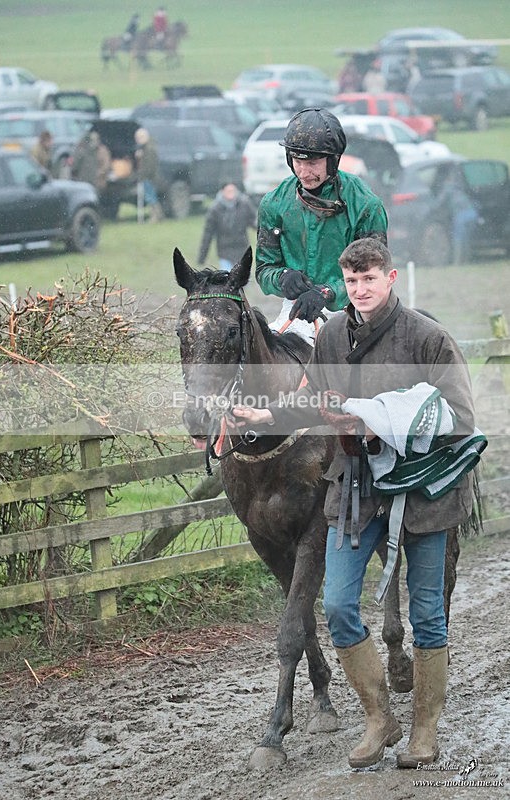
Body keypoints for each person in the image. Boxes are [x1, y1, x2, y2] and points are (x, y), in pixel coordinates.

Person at [231, 237, 486, 771]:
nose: (360, 289)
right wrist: (265, 417)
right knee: (339, 606)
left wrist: (375, 415)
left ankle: (423, 731)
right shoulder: (332, 336)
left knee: (427, 615)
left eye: (369, 279)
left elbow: (461, 416)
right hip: (355, 488)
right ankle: (378, 719)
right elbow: (313, 399)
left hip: (424, 493)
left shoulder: (429, 338)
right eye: (351, 281)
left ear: (390, 278)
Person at [255, 108, 388, 335]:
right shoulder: (273, 203)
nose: (304, 172)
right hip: (295, 310)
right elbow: (264, 269)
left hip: (356, 311)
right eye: (298, 161)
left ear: (333, 160)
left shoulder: (366, 205)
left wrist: (326, 292)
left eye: (313, 163)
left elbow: (373, 274)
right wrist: (283, 278)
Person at [197, 183, 257, 271]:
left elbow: (254, 221)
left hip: (242, 249)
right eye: (228, 191)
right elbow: (208, 234)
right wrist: (202, 257)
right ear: (222, 192)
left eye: (233, 191)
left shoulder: (244, 205)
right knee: (228, 278)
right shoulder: (215, 209)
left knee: (241, 278)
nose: (231, 193)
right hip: (224, 251)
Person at [133, 127, 162, 222]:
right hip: (147, 177)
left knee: (151, 197)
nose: (137, 140)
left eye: (139, 138)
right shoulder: (145, 148)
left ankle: (155, 216)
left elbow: (149, 165)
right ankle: (156, 215)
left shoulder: (149, 149)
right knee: (150, 196)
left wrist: (143, 175)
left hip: (149, 178)